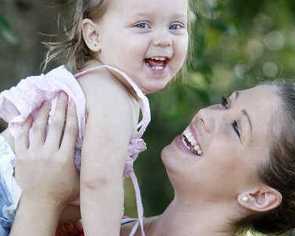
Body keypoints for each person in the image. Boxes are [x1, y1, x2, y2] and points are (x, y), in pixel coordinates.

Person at [9, 80, 295, 236]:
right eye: (225, 104)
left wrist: (41, 199)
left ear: (258, 195)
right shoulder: (103, 220)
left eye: (236, 127)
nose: (206, 116)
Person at [0, 0, 189, 235]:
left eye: (176, 26)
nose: (164, 39)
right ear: (94, 36)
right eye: (142, 25)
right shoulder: (112, 95)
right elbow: (98, 184)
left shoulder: (100, 83)